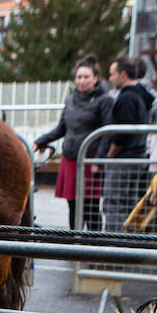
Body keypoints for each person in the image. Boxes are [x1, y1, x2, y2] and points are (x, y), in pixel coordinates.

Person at [35, 56, 111, 230]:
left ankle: (94, 243)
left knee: (90, 206)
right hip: (70, 159)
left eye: (86, 77)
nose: (82, 81)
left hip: (90, 161)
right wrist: (40, 141)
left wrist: (98, 161)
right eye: (79, 77)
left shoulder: (104, 100)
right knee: (72, 204)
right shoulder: (70, 100)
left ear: (95, 78)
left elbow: (107, 132)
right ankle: (74, 240)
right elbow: (61, 128)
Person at [100, 55, 156, 231]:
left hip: (123, 158)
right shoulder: (142, 95)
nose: (110, 79)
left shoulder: (127, 98)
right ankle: (128, 242)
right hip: (136, 156)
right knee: (130, 202)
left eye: (112, 74)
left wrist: (111, 153)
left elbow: (123, 133)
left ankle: (114, 245)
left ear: (122, 74)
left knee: (114, 203)